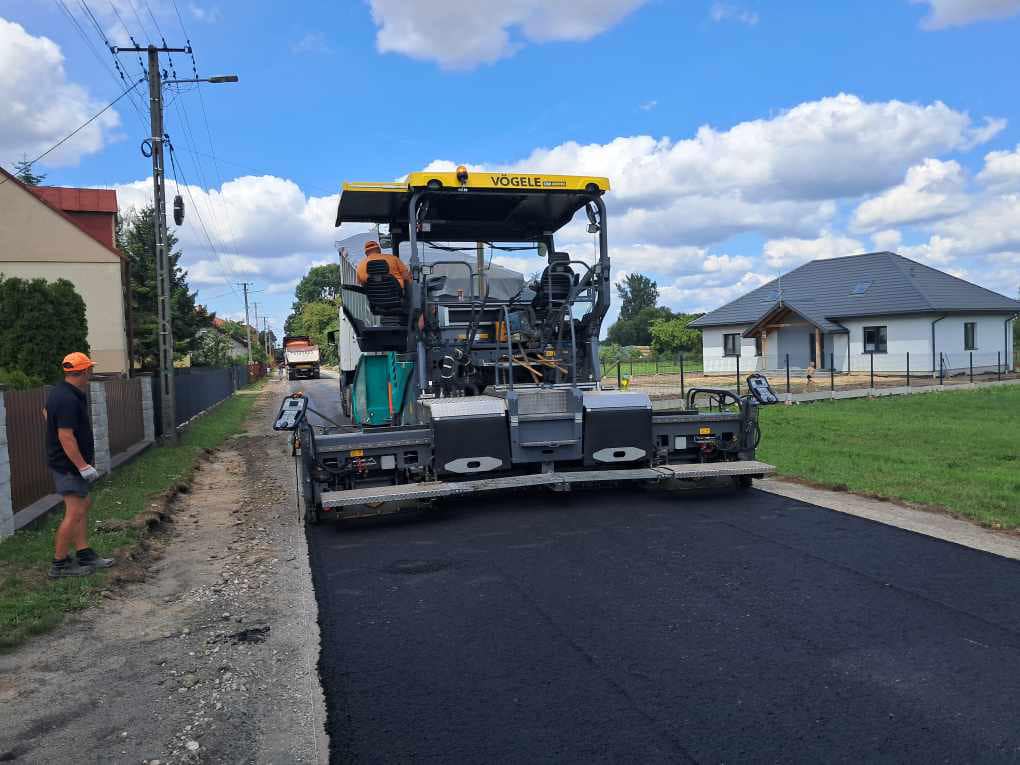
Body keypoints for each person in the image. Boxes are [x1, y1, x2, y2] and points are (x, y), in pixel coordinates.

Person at [44, 352, 115, 578]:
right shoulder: (67, 398)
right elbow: (66, 436)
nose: (91, 374)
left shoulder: (63, 392)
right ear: (84, 372)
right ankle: (60, 564)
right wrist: (82, 466)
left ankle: (84, 553)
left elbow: (46, 413)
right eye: (90, 370)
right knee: (74, 511)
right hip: (67, 465)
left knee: (83, 504)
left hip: (66, 462)